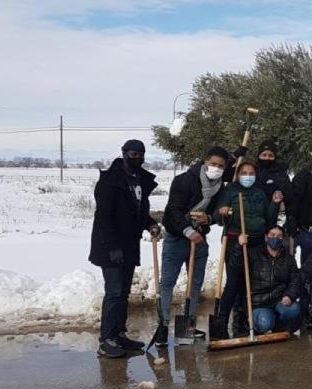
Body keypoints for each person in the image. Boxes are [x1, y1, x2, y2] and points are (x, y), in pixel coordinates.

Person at [88, 139, 160, 358]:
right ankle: (106, 340)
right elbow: (103, 217)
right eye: (132, 153)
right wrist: (111, 247)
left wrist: (150, 224)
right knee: (115, 292)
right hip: (109, 246)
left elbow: (137, 211)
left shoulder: (139, 180)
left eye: (140, 154)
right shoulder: (110, 181)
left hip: (129, 245)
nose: (136, 157)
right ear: (123, 153)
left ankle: (119, 334)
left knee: (124, 293)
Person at [154, 146, 229, 346]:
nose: (216, 168)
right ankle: (162, 326)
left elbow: (214, 216)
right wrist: (188, 231)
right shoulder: (184, 180)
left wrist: (209, 218)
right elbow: (173, 211)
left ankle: (187, 327)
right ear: (205, 162)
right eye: (213, 164)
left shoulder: (220, 187)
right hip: (177, 238)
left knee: (194, 284)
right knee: (168, 282)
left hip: (199, 241)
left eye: (221, 166)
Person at [212, 161, 279, 337]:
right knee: (234, 282)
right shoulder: (230, 191)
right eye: (244, 173)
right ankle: (221, 322)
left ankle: (241, 320)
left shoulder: (259, 193)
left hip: (256, 242)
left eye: (251, 173)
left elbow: (269, 219)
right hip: (235, 240)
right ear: (238, 174)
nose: (248, 176)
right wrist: (223, 211)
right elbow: (217, 218)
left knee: (249, 282)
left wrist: (274, 203)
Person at [243, 226, 302, 334]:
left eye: (279, 236)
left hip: (278, 301)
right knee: (264, 324)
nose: (276, 238)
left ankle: (279, 325)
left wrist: (290, 295)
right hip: (259, 303)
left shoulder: (288, 259)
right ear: (266, 237)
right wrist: (239, 246)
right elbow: (235, 265)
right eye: (272, 235)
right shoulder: (253, 254)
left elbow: (295, 281)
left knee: (293, 309)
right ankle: (261, 322)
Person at [251, 139, 290, 226]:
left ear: (275, 157)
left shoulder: (280, 174)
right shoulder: (252, 171)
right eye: (264, 155)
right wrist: (234, 157)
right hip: (251, 218)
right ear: (259, 156)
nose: (267, 158)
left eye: (270, 155)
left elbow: (288, 198)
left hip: (273, 221)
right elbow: (231, 177)